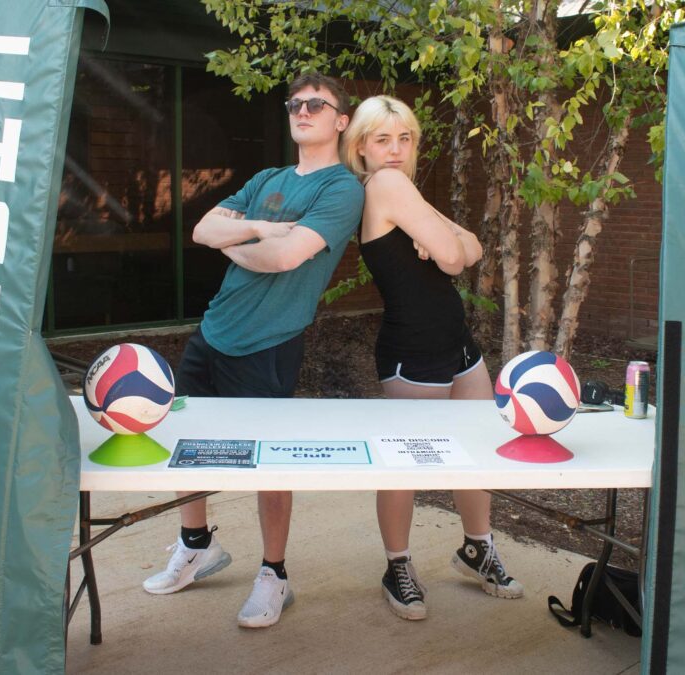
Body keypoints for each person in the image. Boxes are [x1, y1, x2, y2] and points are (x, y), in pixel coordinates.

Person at [141, 73, 364, 629]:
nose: (303, 110)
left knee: (270, 463)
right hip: (213, 331)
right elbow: (201, 230)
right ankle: (196, 546)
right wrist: (264, 229)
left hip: (268, 344)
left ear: (340, 120)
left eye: (318, 104)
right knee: (186, 446)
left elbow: (286, 260)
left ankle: (274, 574)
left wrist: (239, 242)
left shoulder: (342, 190)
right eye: (296, 103)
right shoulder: (268, 178)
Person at [341, 95, 524, 621]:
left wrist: (450, 242)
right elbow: (452, 255)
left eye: (405, 139)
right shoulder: (385, 185)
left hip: (459, 347)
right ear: (361, 148)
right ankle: (397, 566)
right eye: (383, 140)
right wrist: (448, 243)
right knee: (403, 466)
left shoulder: (405, 188)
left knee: (475, 453)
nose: (396, 150)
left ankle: (477, 548)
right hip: (413, 353)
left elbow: (475, 250)